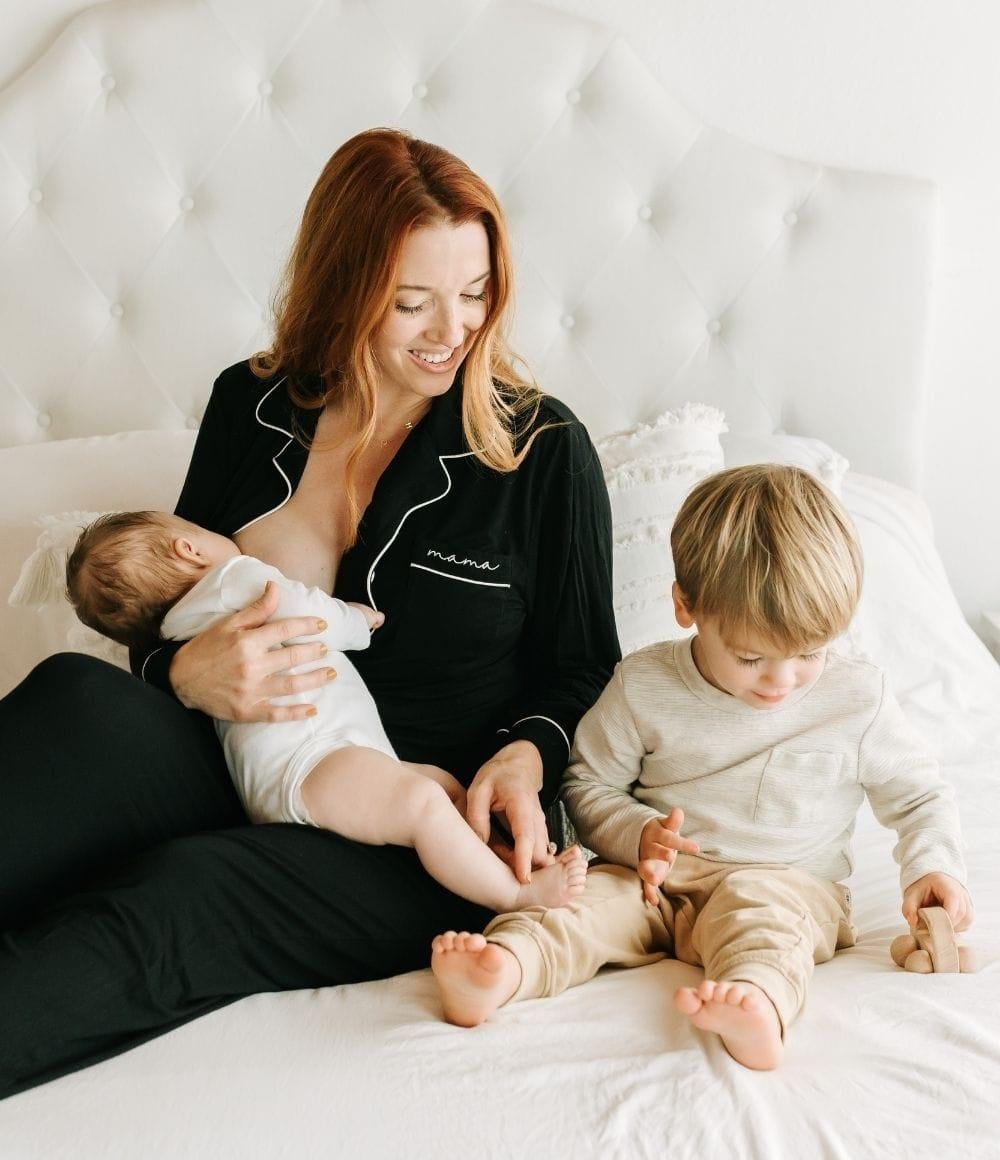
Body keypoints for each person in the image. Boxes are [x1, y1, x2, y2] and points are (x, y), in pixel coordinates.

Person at [0, 127, 619, 1099]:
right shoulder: (249, 406)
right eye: (411, 301)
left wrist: (527, 751)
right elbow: (169, 603)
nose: (451, 329)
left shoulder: (541, 450)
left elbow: (582, 665)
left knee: (184, 891)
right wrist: (180, 671)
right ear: (346, 284)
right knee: (76, 695)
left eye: (474, 293)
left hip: (411, 822)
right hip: (237, 753)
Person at [431, 464, 973, 1071]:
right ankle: (503, 969)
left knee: (767, 926)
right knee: (577, 905)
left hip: (786, 883)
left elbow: (920, 795)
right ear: (685, 607)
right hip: (653, 881)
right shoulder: (643, 684)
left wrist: (933, 866)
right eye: (750, 657)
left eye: (809, 654)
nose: (782, 680)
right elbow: (585, 782)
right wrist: (638, 834)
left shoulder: (856, 698)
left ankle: (758, 1005)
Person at [64, 511, 586, 912]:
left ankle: (507, 862)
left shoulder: (180, 632)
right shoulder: (230, 580)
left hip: (294, 774)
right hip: (314, 762)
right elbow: (304, 608)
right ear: (189, 547)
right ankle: (516, 896)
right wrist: (355, 621)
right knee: (425, 802)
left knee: (445, 789)